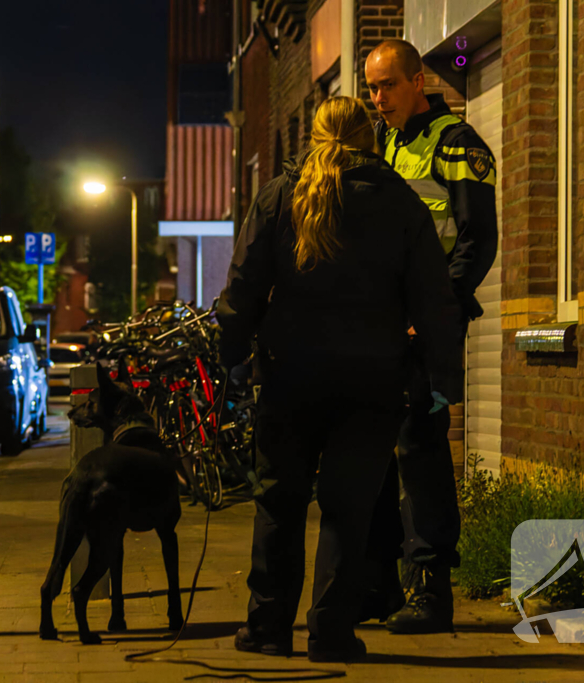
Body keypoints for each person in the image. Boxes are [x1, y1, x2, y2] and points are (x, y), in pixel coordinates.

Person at [216, 96, 464, 662]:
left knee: (278, 501)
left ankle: (268, 627)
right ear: (368, 138)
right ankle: (331, 633)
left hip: (289, 373)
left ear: (316, 134)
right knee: (348, 508)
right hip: (372, 378)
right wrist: (441, 376)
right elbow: (433, 299)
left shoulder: (281, 194)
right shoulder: (400, 202)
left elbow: (243, 284)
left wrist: (232, 356)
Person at [363, 39, 498, 634]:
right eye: (372, 88)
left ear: (418, 81)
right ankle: (381, 584)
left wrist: (437, 312)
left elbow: (477, 237)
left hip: (427, 328)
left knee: (421, 452)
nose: (378, 97)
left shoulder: (457, 143)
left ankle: (431, 590)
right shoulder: (386, 142)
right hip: (385, 325)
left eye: (388, 85)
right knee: (377, 449)